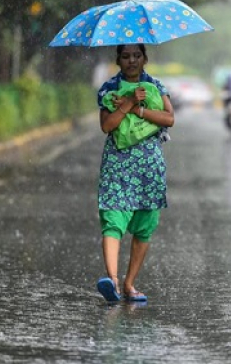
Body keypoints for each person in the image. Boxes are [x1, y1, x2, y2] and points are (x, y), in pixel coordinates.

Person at [95, 43, 175, 303]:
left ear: (145, 58)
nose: (132, 61)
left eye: (136, 56)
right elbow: (107, 125)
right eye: (126, 56)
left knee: (144, 225)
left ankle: (130, 284)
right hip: (118, 163)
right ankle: (113, 281)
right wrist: (126, 104)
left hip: (148, 165)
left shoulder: (155, 86)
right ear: (118, 60)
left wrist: (139, 109)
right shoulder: (109, 89)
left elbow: (169, 119)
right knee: (113, 216)